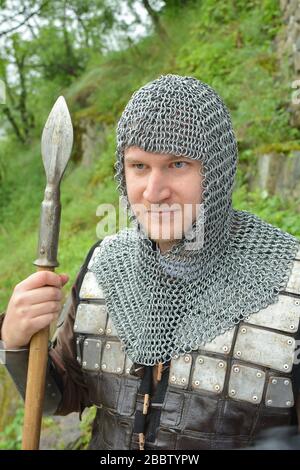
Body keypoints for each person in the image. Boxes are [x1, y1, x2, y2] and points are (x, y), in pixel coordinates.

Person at [1, 74, 300, 450]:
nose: (154, 192)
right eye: (139, 166)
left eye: (177, 164)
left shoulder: (287, 280)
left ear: (217, 170)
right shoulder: (105, 267)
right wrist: (15, 343)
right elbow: (62, 396)